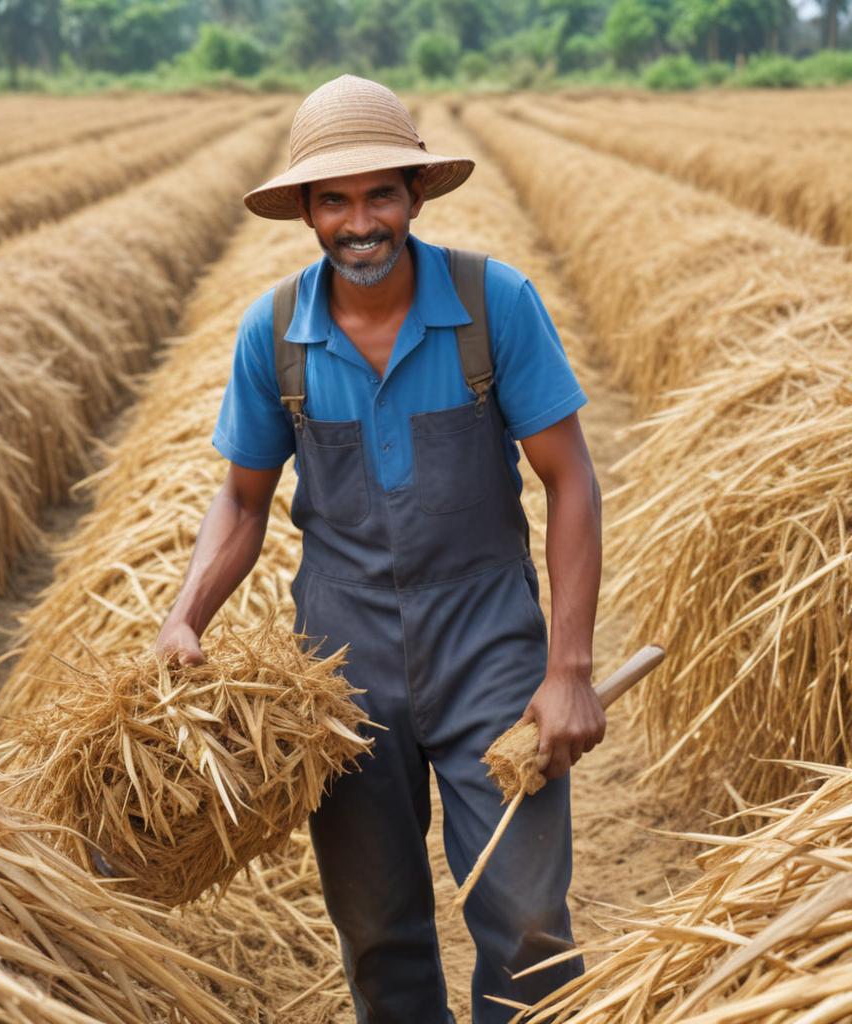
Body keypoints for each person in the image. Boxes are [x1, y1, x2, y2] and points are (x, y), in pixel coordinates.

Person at [154, 74, 605, 1024]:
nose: (361, 222)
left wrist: (567, 668)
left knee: (526, 918)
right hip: (343, 666)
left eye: (380, 195)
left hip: (489, 647)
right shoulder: (273, 334)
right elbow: (242, 501)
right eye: (335, 200)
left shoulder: (494, 305)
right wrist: (184, 617)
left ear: (416, 195)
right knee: (377, 928)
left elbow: (571, 479)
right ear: (309, 215)